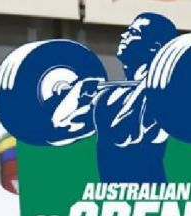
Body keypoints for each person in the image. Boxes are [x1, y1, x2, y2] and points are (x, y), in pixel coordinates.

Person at [51, 12, 178, 182]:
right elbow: (60, 128)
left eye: (133, 33)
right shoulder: (108, 95)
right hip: (111, 201)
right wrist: (77, 92)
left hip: (152, 200)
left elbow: (124, 133)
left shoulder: (164, 95)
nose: (123, 35)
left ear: (154, 47)